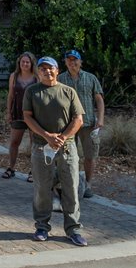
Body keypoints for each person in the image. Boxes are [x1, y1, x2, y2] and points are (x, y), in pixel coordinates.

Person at [23, 56, 87, 246]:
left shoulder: (68, 91)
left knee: (71, 189)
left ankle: (73, 230)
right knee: (42, 189)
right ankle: (42, 227)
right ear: (38, 72)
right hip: (41, 148)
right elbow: (27, 117)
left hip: (67, 149)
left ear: (57, 70)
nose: (47, 71)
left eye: (50, 68)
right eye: (42, 69)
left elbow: (78, 119)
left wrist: (63, 137)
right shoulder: (32, 92)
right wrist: (47, 136)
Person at [58, 50, 105, 199]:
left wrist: (101, 119)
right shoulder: (60, 79)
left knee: (90, 156)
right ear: (65, 62)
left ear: (80, 61)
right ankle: (71, 183)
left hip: (88, 124)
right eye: (69, 60)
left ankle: (88, 185)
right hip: (68, 124)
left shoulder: (90, 78)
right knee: (69, 156)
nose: (72, 63)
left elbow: (99, 99)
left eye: (75, 60)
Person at [3, 51, 38, 181]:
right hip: (17, 112)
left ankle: (33, 171)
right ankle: (11, 168)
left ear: (31, 63)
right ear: (19, 63)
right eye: (22, 62)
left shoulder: (36, 76)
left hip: (33, 114)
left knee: (34, 143)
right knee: (14, 142)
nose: (24, 64)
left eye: (27, 62)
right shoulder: (14, 76)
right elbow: (10, 95)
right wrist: (8, 112)